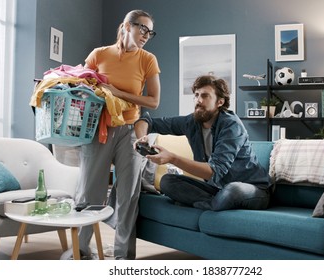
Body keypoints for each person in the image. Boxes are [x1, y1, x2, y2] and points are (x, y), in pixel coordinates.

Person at [64, 10, 161, 260]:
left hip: (130, 131)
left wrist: (116, 92)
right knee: (88, 194)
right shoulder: (99, 54)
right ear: (127, 26)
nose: (147, 36)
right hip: (98, 129)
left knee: (128, 197)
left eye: (150, 32)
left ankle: (123, 259)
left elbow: (153, 101)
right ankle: (80, 252)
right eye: (143, 29)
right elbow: (81, 84)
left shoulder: (147, 59)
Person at [134, 75, 271, 211]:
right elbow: (146, 121)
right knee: (168, 181)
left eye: (205, 96)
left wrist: (172, 158)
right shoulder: (191, 122)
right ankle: (215, 204)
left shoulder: (231, 125)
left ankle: (205, 204)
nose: (198, 100)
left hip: (253, 189)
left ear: (220, 102)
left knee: (232, 190)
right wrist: (142, 139)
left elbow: (213, 172)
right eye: (196, 95)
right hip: (217, 189)